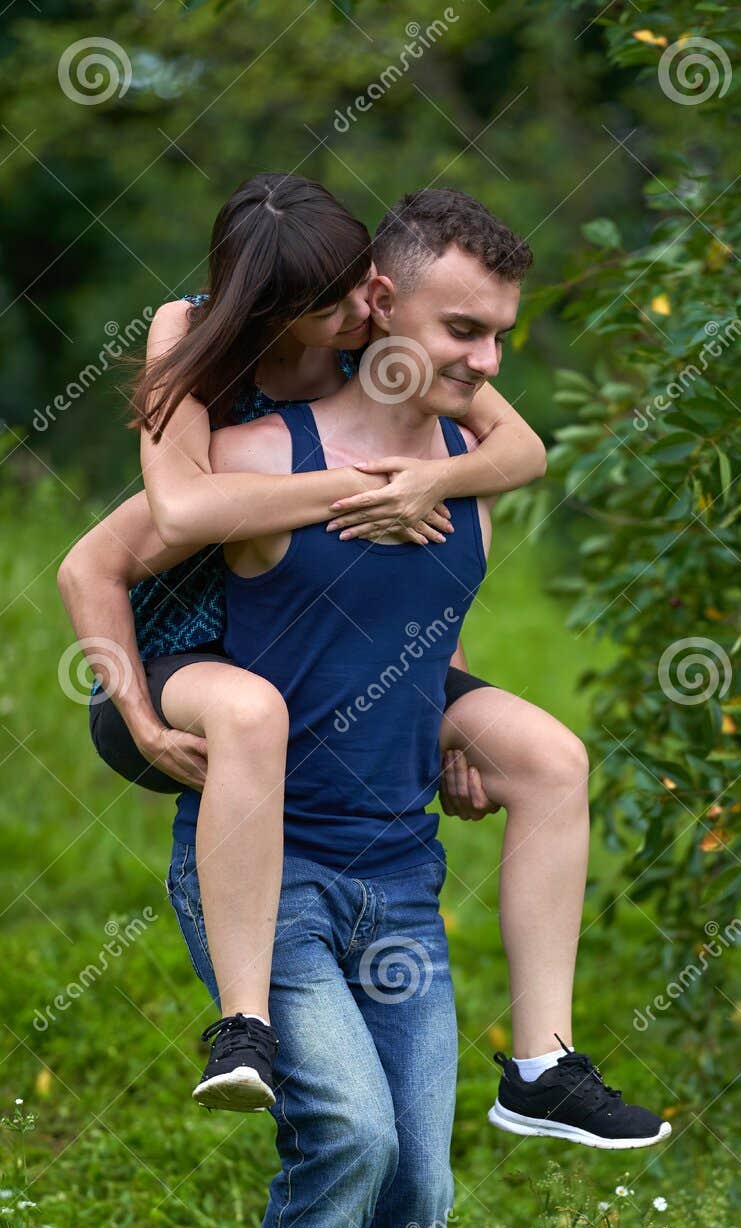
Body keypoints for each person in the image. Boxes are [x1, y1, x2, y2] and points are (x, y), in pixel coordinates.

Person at [58, 175, 669, 1149]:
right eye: (341, 301)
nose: (363, 307)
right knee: (253, 709)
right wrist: (133, 710)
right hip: (180, 651)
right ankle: (244, 1024)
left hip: (335, 669)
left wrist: (435, 479)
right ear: (275, 311)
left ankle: (542, 1065)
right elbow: (141, 533)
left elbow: (520, 454)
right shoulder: (206, 364)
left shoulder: (405, 363)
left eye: (369, 289)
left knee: (552, 759)